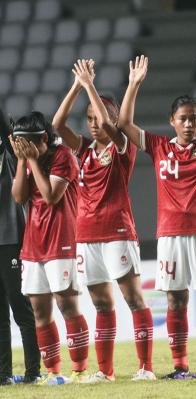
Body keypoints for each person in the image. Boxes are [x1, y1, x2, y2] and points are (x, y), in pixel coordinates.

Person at [119, 51, 196, 378]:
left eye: (194, 118)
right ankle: (180, 365)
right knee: (175, 300)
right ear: (172, 121)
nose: (188, 123)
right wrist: (133, 84)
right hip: (170, 234)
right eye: (183, 118)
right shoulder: (158, 147)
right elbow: (125, 124)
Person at [51, 59, 155, 382]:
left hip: (117, 232)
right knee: (101, 304)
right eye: (91, 119)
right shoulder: (81, 150)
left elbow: (113, 129)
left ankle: (145, 368)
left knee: (134, 298)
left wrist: (91, 87)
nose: (95, 124)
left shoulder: (122, 147)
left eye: (101, 118)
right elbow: (57, 124)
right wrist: (77, 86)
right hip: (86, 236)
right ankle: (105, 371)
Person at [9, 112, 89, 384]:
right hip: (33, 244)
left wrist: (31, 159)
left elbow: (51, 196)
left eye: (27, 144)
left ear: (43, 138)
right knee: (40, 312)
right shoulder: (28, 159)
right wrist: (22, 161)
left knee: (67, 306)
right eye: (18, 144)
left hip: (61, 241)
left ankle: (79, 370)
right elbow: (19, 197)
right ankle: (54, 372)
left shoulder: (63, 156)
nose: (23, 148)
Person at [0, 108, 41, 385]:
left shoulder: (12, 154)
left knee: (20, 308)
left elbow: (5, 127)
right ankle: (3, 375)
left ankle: (32, 372)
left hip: (11, 238)